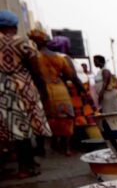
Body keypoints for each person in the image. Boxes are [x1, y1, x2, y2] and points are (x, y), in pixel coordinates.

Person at [0, 13, 51, 178]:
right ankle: (25, 167)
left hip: (2, 88)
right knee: (23, 128)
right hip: (21, 88)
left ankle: (21, 164)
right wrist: (43, 91)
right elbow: (35, 69)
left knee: (9, 128)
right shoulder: (23, 43)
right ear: (13, 26)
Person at [28, 31, 77, 155]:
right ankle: (67, 148)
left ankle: (43, 148)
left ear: (35, 42)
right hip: (60, 89)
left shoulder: (34, 57)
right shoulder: (60, 58)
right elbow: (70, 75)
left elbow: (34, 75)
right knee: (66, 117)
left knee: (44, 118)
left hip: (42, 90)